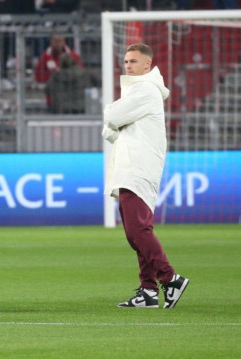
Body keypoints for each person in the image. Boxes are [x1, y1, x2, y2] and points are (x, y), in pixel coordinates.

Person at [101, 43, 190, 309]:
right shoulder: (139, 91)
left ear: (147, 65)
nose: (127, 66)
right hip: (133, 168)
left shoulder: (145, 90)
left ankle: (169, 278)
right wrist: (114, 121)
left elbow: (112, 116)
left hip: (138, 169)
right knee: (135, 232)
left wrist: (112, 115)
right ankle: (148, 291)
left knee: (138, 230)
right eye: (126, 61)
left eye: (133, 61)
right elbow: (113, 131)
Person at [35, 34, 83, 108]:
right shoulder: (44, 57)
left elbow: (82, 73)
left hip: (73, 100)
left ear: (64, 42)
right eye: (56, 41)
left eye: (60, 41)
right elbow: (38, 76)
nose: (58, 44)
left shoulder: (74, 56)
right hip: (54, 101)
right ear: (51, 42)